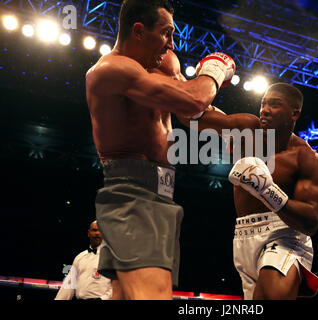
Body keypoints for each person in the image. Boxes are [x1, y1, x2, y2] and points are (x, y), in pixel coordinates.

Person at [85, 0, 235, 300]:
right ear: (139, 31)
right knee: (154, 295)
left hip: (158, 193)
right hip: (132, 192)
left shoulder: (166, 63)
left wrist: (244, 130)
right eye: (166, 33)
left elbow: (192, 111)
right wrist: (216, 71)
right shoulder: (110, 69)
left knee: (127, 295)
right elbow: (194, 99)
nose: (171, 43)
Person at [177, 82, 318, 300]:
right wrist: (210, 78)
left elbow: (311, 221)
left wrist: (268, 191)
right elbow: (188, 116)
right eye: (263, 103)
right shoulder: (247, 129)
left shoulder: (306, 157)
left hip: (284, 236)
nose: (264, 109)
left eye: (274, 105)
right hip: (243, 237)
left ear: (294, 113)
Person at [55, 221, 112, 300]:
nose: (97, 233)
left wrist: (103, 299)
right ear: (89, 233)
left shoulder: (111, 257)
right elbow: (69, 286)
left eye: (100, 230)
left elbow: (118, 286)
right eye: (94, 230)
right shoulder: (79, 257)